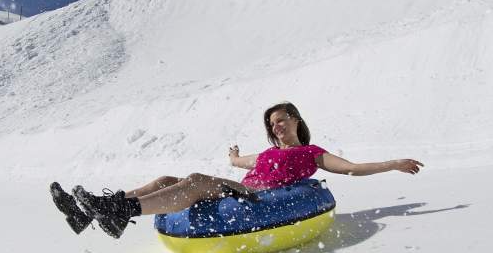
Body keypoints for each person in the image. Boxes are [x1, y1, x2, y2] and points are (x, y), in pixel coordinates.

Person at [50, 102, 423, 238]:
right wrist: (233, 157)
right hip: (242, 187)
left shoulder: (311, 153)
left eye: (281, 121)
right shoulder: (263, 154)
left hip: (265, 198)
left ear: (295, 120)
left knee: (195, 180)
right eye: (272, 124)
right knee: (166, 179)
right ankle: (92, 211)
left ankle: (119, 212)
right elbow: (238, 164)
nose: (276, 127)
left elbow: (352, 169)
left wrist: (393, 163)